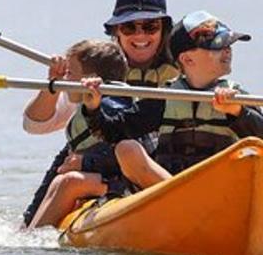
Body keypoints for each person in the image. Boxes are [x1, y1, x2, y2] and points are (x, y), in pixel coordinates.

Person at [21, 0, 179, 223]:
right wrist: (53, 85)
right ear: (116, 32)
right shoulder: (95, 67)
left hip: (157, 158)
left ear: (163, 29)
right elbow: (35, 125)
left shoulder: (183, 65)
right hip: (107, 157)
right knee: (65, 164)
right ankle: (30, 225)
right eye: (129, 28)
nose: (140, 36)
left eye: (150, 26)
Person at [79, 10, 263, 191]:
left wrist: (238, 112)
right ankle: (181, 197)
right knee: (126, 149)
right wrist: (94, 107)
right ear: (187, 59)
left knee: (252, 153)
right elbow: (114, 132)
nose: (228, 50)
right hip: (169, 195)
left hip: (220, 191)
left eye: (229, 44)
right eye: (218, 45)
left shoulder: (237, 97)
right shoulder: (167, 98)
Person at [24, 40, 131, 229]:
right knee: (58, 180)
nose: (65, 81)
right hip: (103, 179)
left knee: (68, 181)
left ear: (91, 80)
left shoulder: (112, 107)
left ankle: (33, 239)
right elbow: (54, 170)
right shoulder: (84, 111)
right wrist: (27, 218)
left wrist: (86, 162)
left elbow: (127, 150)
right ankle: (29, 232)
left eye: (70, 74)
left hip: (123, 184)